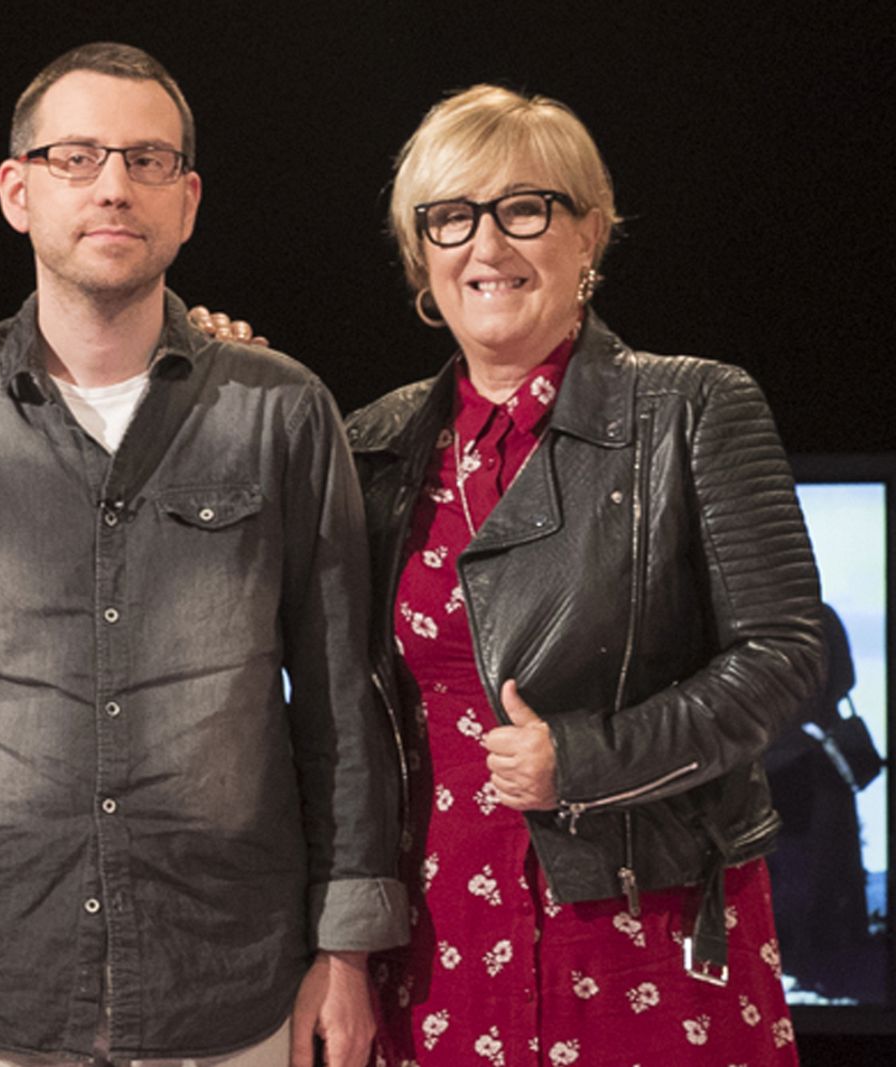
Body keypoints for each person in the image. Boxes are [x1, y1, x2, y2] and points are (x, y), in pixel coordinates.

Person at [0, 42, 407, 1067]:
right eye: (77, 158)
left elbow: (337, 697)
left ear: (187, 200)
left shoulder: (280, 410)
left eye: (146, 160)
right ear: (17, 190)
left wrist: (347, 945)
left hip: (229, 983)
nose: (113, 186)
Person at [345, 84, 823, 1064]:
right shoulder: (373, 444)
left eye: (525, 208)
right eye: (450, 217)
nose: (486, 246)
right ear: (417, 252)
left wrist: (588, 758)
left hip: (639, 923)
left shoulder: (692, 407)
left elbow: (783, 654)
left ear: (589, 235)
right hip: (431, 936)